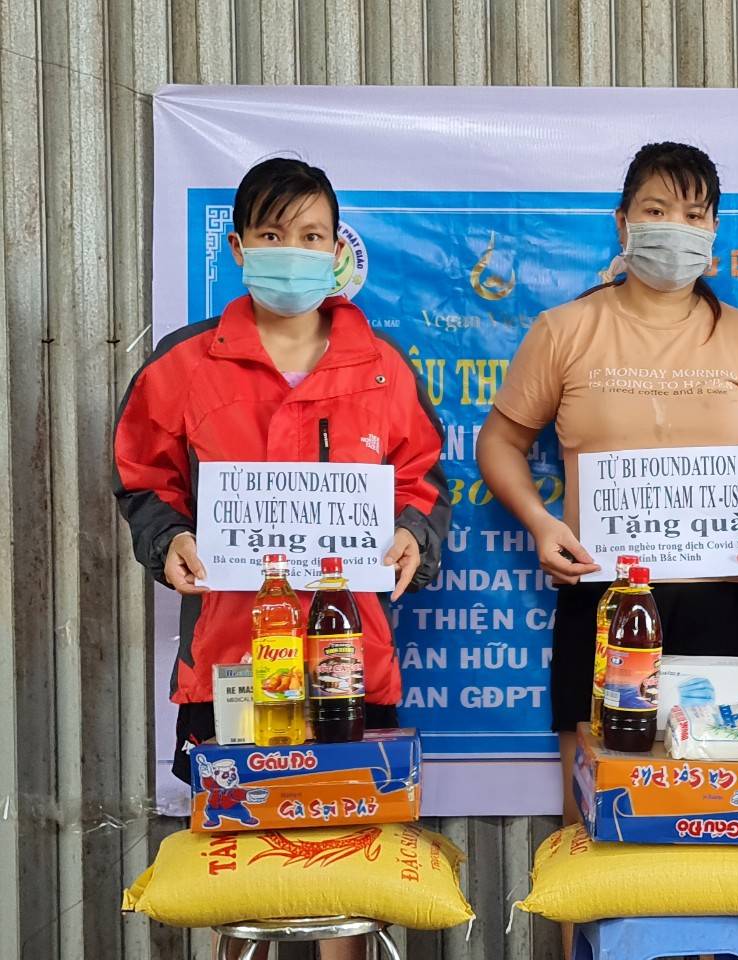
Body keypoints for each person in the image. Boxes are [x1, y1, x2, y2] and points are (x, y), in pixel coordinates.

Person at [114, 157, 450, 960]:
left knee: (346, 872)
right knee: (239, 874)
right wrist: (170, 540)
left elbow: (425, 479)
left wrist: (414, 533)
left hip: (349, 660)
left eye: (310, 235)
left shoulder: (383, 367)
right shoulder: (183, 365)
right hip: (229, 662)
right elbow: (142, 479)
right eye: (271, 235)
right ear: (238, 247)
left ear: (337, 250)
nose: (291, 252)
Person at [478, 139, 738, 817]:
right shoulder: (564, 330)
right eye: (656, 210)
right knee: (597, 818)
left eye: (694, 215)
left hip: (724, 604)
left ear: (714, 230)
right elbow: (500, 442)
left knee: (727, 814)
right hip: (604, 602)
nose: (675, 227)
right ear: (623, 222)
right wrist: (541, 523)